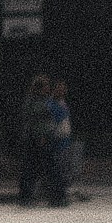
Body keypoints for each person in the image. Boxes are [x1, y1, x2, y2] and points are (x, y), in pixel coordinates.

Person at [16, 74, 55, 206]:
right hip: (36, 139)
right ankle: (26, 197)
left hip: (43, 137)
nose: (48, 88)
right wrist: (40, 136)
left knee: (42, 168)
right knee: (32, 168)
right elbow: (35, 120)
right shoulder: (35, 101)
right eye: (46, 86)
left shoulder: (46, 100)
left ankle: (38, 195)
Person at [44, 78, 78, 206]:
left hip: (65, 142)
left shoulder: (62, 103)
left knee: (64, 171)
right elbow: (51, 124)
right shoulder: (50, 104)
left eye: (64, 88)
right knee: (57, 170)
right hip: (56, 142)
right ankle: (55, 197)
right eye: (60, 88)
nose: (63, 90)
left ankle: (61, 196)